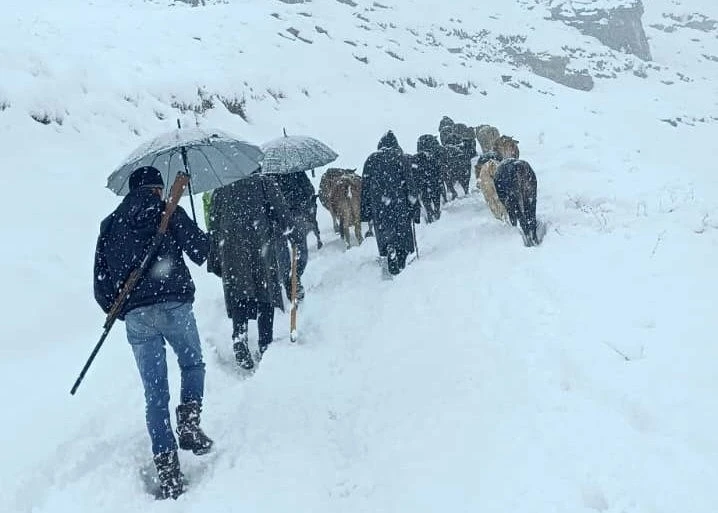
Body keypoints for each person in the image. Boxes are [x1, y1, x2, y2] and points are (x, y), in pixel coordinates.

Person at [93, 166, 213, 500]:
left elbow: (101, 284)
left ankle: (168, 470)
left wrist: (125, 310)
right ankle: (188, 423)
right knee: (192, 364)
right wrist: (196, 231)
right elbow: (201, 252)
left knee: (155, 392)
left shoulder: (110, 224)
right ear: (157, 188)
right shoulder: (167, 210)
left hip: (136, 315)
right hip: (174, 304)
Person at [207, 171, 298, 371]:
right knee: (265, 294)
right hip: (260, 246)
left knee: (239, 294)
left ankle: (240, 338)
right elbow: (282, 214)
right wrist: (292, 232)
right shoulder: (264, 183)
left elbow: (213, 223)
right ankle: (265, 344)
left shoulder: (221, 188)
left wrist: (215, 257)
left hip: (231, 249)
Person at [360, 131, 420, 275]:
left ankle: (389, 249)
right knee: (402, 235)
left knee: (385, 233)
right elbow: (410, 185)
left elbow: (365, 188)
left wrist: (365, 211)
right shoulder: (400, 158)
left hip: (379, 207)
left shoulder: (370, 160)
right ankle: (402, 263)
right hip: (399, 204)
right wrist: (414, 207)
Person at [271, 171, 317, 301]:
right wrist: (302, 204)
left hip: (277, 217)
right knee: (300, 248)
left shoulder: (267, 175)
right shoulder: (295, 170)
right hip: (294, 214)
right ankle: (295, 277)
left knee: (281, 251)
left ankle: (289, 280)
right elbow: (309, 190)